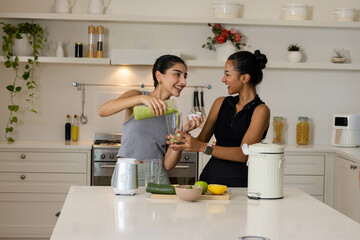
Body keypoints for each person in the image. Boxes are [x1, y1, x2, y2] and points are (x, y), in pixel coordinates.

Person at [168, 50, 270, 187]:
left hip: (240, 184)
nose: (223, 79)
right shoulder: (221, 103)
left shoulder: (261, 111)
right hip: (208, 179)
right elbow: (200, 141)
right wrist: (183, 136)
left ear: (244, 78)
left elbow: (243, 154)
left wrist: (202, 147)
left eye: (227, 74)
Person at [98, 54, 202, 186]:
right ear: (159, 76)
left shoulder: (173, 114)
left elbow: (168, 165)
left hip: (158, 176)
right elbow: (103, 110)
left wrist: (182, 133)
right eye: (177, 74)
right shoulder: (136, 96)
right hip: (127, 173)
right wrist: (142, 98)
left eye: (185, 76)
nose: (184, 82)